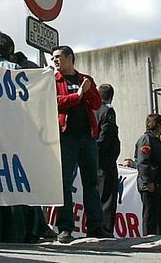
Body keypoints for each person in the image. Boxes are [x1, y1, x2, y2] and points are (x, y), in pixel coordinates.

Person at [52, 45, 111, 242]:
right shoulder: (53, 80)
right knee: (64, 183)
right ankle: (65, 228)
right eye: (53, 58)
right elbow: (55, 102)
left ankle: (95, 226)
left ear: (70, 58)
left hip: (88, 137)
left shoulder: (85, 79)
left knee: (91, 183)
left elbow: (96, 104)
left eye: (59, 57)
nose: (55, 60)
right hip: (66, 137)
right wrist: (77, 96)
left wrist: (87, 91)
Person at [0, 31, 31, 244]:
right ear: (9, 49)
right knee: (13, 187)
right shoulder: (16, 70)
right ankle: (16, 238)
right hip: (13, 137)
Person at [136, 113, 161, 236]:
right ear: (156, 126)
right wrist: (148, 182)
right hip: (150, 186)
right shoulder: (146, 140)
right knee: (150, 217)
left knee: (159, 218)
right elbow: (143, 162)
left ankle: (160, 238)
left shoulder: (156, 141)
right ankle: (149, 239)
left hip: (158, 186)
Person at [96, 83, 120, 235]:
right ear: (110, 97)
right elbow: (105, 136)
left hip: (95, 160)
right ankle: (106, 229)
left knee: (97, 195)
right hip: (106, 161)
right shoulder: (107, 111)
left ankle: (96, 227)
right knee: (108, 197)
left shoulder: (92, 110)